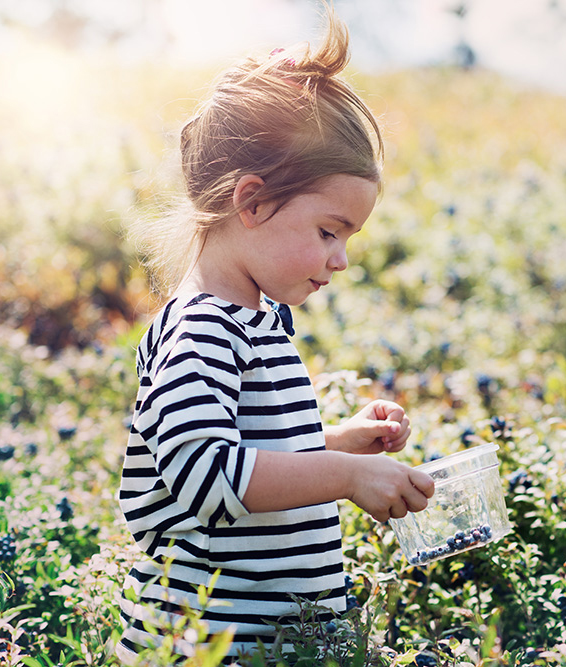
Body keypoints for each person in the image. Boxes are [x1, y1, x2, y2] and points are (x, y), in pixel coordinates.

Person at [116, 7, 434, 663]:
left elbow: (252, 450)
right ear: (253, 202)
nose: (341, 259)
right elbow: (209, 474)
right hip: (209, 644)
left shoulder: (259, 318)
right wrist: (345, 474)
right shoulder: (201, 327)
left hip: (284, 638)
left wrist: (339, 440)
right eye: (329, 231)